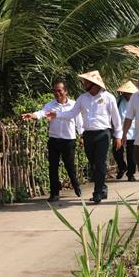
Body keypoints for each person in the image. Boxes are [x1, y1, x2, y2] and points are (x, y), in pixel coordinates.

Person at [48, 70, 122, 204]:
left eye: (86, 82)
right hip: (88, 134)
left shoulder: (108, 97)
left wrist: (118, 136)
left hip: (103, 133)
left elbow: (116, 118)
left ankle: (97, 193)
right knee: (94, 164)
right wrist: (56, 115)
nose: (84, 84)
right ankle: (102, 188)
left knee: (100, 163)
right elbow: (72, 113)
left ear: (94, 84)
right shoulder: (82, 98)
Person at [21, 80, 83, 202]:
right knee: (53, 167)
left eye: (59, 90)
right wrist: (32, 115)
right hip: (54, 139)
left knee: (69, 166)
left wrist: (82, 136)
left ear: (65, 91)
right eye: (54, 90)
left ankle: (76, 185)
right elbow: (42, 113)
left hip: (68, 140)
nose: (57, 93)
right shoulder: (50, 104)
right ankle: (54, 193)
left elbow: (79, 123)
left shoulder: (73, 105)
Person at [113, 81, 138, 182]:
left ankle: (131, 173)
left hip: (133, 130)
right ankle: (122, 166)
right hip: (119, 130)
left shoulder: (137, 102)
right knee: (116, 151)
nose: (127, 95)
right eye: (126, 93)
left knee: (131, 154)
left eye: (129, 93)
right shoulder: (118, 100)